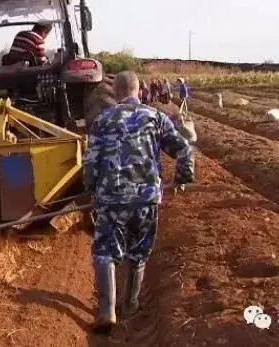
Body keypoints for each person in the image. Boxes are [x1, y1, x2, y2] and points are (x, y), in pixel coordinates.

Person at [83, 71, 195, 334]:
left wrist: (91, 190)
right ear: (138, 91)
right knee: (138, 254)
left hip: (111, 199)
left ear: (117, 92)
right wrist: (182, 177)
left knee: (104, 252)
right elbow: (184, 149)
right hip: (145, 199)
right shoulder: (156, 117)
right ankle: (130, 306)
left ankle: (107, 310)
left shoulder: (102, 119)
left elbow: (90, 162)